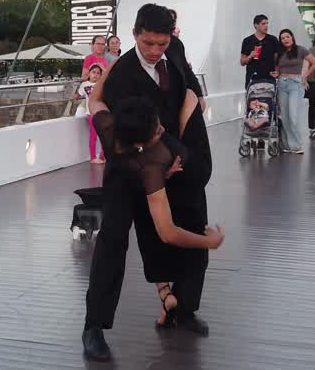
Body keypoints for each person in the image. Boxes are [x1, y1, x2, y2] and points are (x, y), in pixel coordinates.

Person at [83, 4, 213, 361]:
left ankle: (183, 308)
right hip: (128, 162)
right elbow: (124, 133)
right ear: (135, 35)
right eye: (147, 43)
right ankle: (94, 326)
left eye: (161, 43)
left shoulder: (175, 52)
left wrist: (181, 145)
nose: (155, 50)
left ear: (171, 37)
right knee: (113, 240)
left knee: (192, 220)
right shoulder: (123, 74)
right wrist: (158, 162)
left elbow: (189, 85)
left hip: (172, 158)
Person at [89, 97, 224, 328]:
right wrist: (209, 242)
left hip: (127, 175)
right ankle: (164, 295)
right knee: (143, 235)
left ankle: (165, 294)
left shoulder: (107, 126)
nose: (162, 129)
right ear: (142, 144)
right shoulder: (153, 164)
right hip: (134, 183)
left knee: (147, 236)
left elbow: (94, 100)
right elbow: (168, 232)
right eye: (157, 131)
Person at [272, 29, 309, 154]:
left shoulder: (301, 50)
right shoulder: (279, 53)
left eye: (287, 37)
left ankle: (297, 145)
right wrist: (276, 74)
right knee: (285, 116)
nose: (285, 40)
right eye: (282, 38)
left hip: (295, 85)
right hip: (282, 84)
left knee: (293, 115)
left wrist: (304, 77)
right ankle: (288, 145)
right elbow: (277, 70)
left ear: (292, 37)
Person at [239, 14, 281, 86]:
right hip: (252, 79)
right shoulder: (247, 41)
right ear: (256, 25)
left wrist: (277, 72)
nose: (266, 26)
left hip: (269, 79)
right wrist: (250, 56)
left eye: (267, 23)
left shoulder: (273, 39)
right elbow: (242, 62)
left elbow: (277, 60)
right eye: (263, 24)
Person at [76, 63, 106, 164]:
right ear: (89, 73)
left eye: (98, 73)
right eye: (93, 72)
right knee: (93, 136)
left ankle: (102, 156)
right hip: (91, 114)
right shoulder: (84, 85)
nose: (95, 75)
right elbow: (78, 95)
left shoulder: (101, 84)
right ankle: (93, 157)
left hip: (102, 113)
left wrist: (103, 69)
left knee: (104, 136)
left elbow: (109, 77)